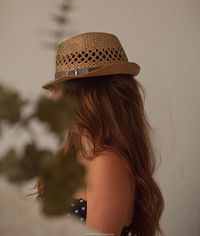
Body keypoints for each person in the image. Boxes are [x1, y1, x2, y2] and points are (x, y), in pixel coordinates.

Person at [30, 32, 165, 236]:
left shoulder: (106, 164)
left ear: (85, 96)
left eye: (59, 88)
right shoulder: (75, 155)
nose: (52, 98)